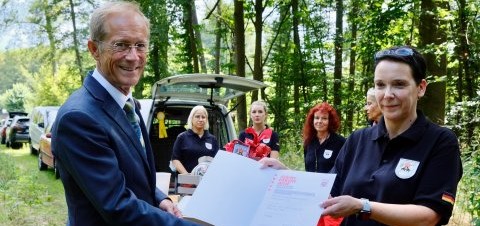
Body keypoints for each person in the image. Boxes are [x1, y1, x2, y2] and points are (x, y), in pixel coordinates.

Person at [260, 46, 463, 226]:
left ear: (421, 88)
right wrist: (286, 175)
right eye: (380, 85)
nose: (387, 94)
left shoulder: (440, 142)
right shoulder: (358, 139)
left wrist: (362, 206)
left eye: (399, 84)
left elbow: (429, 217)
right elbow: (327, 193)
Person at [51, 2, 198, 225]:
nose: (133, 56)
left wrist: (160, 199)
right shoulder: (79, 118)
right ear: (94, 49)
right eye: (121, 45)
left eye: (140, 45)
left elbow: (134, 178)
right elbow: (117, 206)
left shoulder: (128, 104)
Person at [172, 106, 219, 174]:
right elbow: (175, 160)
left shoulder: (212, 139)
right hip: (186, 182)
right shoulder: (182, 137)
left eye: (203, 117)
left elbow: (217, 161)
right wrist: (187, 176)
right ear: (191, 119)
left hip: (206, 180)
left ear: (206, 120)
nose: (200, 119)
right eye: (197, 116)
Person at [303, 102, 346, 173]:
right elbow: (307, 168)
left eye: (324, 118)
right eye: (317, 118)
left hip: (333, 183)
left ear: (330, 121)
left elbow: (344, 169)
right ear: (312, 120)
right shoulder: (308, 142)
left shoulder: (340, 142)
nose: (319, 121)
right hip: (311, 183)